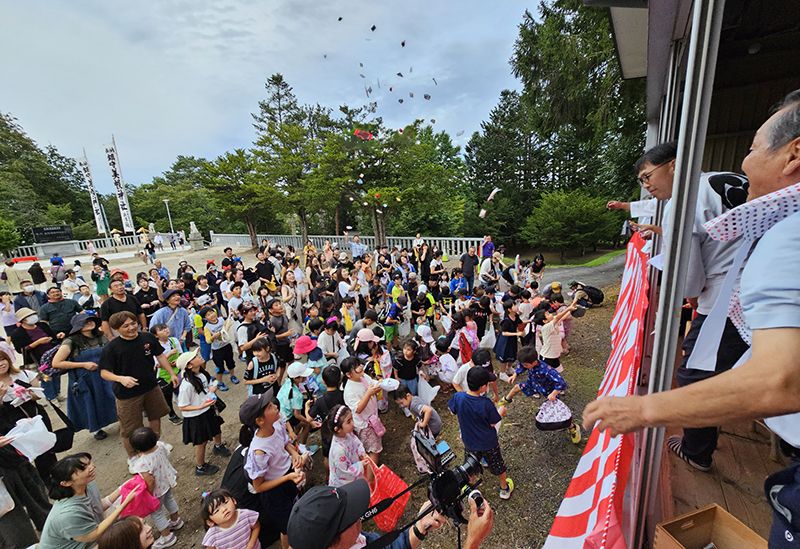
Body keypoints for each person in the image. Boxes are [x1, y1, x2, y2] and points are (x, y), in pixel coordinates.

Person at [584, 89, 800, 546]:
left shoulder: (702, 203)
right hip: (740, 300)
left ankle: (698, 451)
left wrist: (643, 409)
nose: (744, 161)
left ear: (792, 154)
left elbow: (688, 280)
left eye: (754, 147)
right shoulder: (720, 181)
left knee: (694, 368)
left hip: (723, 301)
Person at [290, 476, 495, 549]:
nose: (359, 514)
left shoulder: (356, 540)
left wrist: (420, 526)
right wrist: (473, 542)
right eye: (351, 517)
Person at [99, 311, 178, 472]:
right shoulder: (111, 348)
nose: (131, 327)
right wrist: (121, 379)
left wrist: (171, 373)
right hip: (127, 394)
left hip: (151, 386)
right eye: (125, 326)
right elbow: (104, 372)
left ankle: (154, 444)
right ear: (116, 329)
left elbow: (160, 356)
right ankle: (133, 457)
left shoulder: (147, 338)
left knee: (155, 416)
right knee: (130, 429)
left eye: (133, 323)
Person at [240, 391, 307, 549]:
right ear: (260, 420)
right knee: (288, 528)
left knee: (295, 513)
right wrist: (288, 477)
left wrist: (293, 453)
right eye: (270, 407)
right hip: (274, 492)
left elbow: (284, 443)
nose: (276, 407)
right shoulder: (259, 451)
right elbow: (258, 486)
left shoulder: (276, 424)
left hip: (287, 478)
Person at [39, 453, 138, 549]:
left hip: (87, 541)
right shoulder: (67, 514)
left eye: (89, 463)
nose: (92, 467)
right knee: (123, 539)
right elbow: (95, 533)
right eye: (83, 468)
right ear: (66, 483)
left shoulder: (88, 485)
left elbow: (97, 506)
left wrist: (122, 489)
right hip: (87, 543)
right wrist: (125, 503)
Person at [448, 367, 512, 499]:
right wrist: (501, 412)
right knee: (498, 465)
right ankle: (504, 489)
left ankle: (470, 489)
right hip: (488, 443)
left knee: (470, 464)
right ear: (483, 387)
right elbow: (492, 423)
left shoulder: (458, 397)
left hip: (470, 441)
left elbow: (452, 411)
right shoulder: (486, 404)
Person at [51, 313, 117, 440]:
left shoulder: (101, 336)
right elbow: (56, 363)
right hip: (84, 378)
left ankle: (122, 420)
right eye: (86, 322)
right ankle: (96, 429)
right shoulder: (71, 342)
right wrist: (83, 364)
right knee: (89, 402)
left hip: (104, 373)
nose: (90, 323)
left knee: (111, 397)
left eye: (91, 320)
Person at [500, 346, 581, 443]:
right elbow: (520, 365)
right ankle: (507, 399)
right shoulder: (527, 363)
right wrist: (515, 374)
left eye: (526, 365)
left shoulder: (547, 370)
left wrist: (554, 393)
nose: (524, 367)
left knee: (555, 413)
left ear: (534, 362)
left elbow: (561, 382)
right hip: (533, 384)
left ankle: (572, 427)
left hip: (548, 392)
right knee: (517, 387)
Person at [176, 349, 231, 476]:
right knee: (201, 441)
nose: (199, 357)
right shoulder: (186, 385)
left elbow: (207, 386)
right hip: (196, 416)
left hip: (208, 409)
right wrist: (200, 406)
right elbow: (182, 406)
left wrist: (212, 388)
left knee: (216, 428)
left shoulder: (202, 374)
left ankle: (218, 446)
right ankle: (200, 466)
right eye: (195, 357)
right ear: (189, 366)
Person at [129, 427, 183, 549]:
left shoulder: (142, 463)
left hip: (156, 490)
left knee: (156, 513)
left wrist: (149, 494)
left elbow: (149, 480)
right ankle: (176, 521)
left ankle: (167, 537)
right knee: (170, 501)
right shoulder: (160, 446)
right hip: (167, 481)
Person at [10, 306, 62, 402]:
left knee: (56, 375)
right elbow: (20, 349)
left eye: (33, 315)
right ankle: (51, 397)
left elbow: (53, 336)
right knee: (46, 378)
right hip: (37, 359)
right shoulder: (17, 333)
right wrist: (37, 343)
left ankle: (57, 393)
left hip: (52, 355)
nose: (33, 317)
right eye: (29, 316)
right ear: (23, 320)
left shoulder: (42, 325)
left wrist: (58, 336)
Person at [340, 356, 383, 465]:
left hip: (372, 418)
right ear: (348, 375)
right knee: (375, 450)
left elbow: (372, 383)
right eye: (356, 367)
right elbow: (358, 409)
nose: (360, 367)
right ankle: (373, 473)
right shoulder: (349, 391)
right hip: (364, 424)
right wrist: (368, 394)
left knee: (370, 445)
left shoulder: (363, 377)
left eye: (359, 364)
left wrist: (381, 383)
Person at [324, 404, 374, 488]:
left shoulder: (348, 433)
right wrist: (360, 465)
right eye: (348, 422)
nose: (353, 423)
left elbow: (357, 443)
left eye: (352, 419)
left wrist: (361, 452)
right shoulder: (338, 450)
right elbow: (343, 472)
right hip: (344, 484)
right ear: (338, 429)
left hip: (353, 469)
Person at [148, 323, 184, 425]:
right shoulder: (155, 346)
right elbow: (158, 365)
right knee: (167, 396)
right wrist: (169, 355)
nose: (166, 330)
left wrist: (177, 359)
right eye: (162, 329)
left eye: (166, 328)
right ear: (156, 335)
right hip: (164, 375)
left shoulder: (174, 340)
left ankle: (185, 411)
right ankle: (172, 415)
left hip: (177, 371)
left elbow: (181, 354)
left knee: (181, 392)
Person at [534, 304, 576, 374]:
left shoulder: (552, 324)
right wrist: (568, 309)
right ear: (545, 321)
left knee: (557, 373)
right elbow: (557, 318)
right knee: (547, 376)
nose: (551, 314)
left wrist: (572, 310)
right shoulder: (546, 327)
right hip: (547, 356)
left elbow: (561, 318)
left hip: (555, 355)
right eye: (548, 314)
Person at [202, 306, 237, 391]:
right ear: (205, 318)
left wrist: (233, 312)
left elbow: (231, 319)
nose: (212, 315)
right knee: (219, 367)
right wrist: (214, 336)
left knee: (230, 362)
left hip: (226, 345)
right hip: (217, 350)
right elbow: (208, 341)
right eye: (208, 315)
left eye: (212, 312)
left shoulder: (221, 319)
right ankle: (219, 382)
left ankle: (232, 376)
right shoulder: (207, 327)